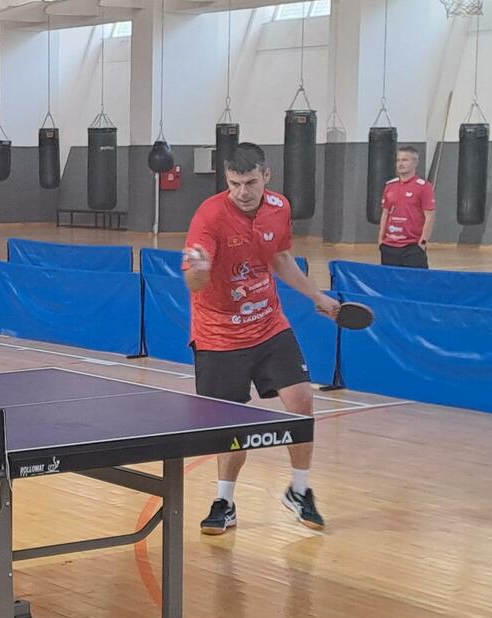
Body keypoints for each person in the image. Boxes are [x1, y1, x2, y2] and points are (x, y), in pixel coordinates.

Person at [182, 143, 339, 533]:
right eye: (234, 183)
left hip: (269, 325)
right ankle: (225, 502)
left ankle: (299, 491)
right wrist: (199, 271)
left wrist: (316, 296)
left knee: (301, 400)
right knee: (230, 424)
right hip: (219, 335)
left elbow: (280, 258)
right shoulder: (209, 216)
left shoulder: (279, 207)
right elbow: (194, 282)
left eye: (250, 182)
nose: (242, 192)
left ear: (266, 176)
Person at [378, 145, 436, 268]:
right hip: (389, 246)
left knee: (416, 279)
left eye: (405, 160)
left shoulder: (424, 187)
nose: (400, 164)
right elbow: (385, 213)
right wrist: (380, 240)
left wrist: (423, 242)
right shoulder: (390, 186)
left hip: (412, 247)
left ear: (415, 163)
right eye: (398, 160)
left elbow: (429, 217)